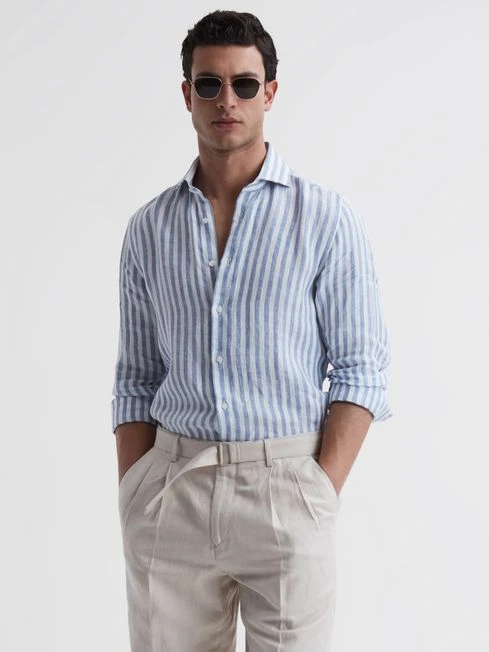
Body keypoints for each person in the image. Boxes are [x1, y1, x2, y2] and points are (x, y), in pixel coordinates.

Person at [112, 9, 392, 652]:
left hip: (286, 490)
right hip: (173, 492)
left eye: (243, 83)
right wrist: (136, 493)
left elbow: (360, 368)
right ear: (187, 94)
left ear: (269, 92)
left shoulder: (324, 218)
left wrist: (317, 491)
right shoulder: (149, 228)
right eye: (209, 84)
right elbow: (137, 376)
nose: (226, 100)